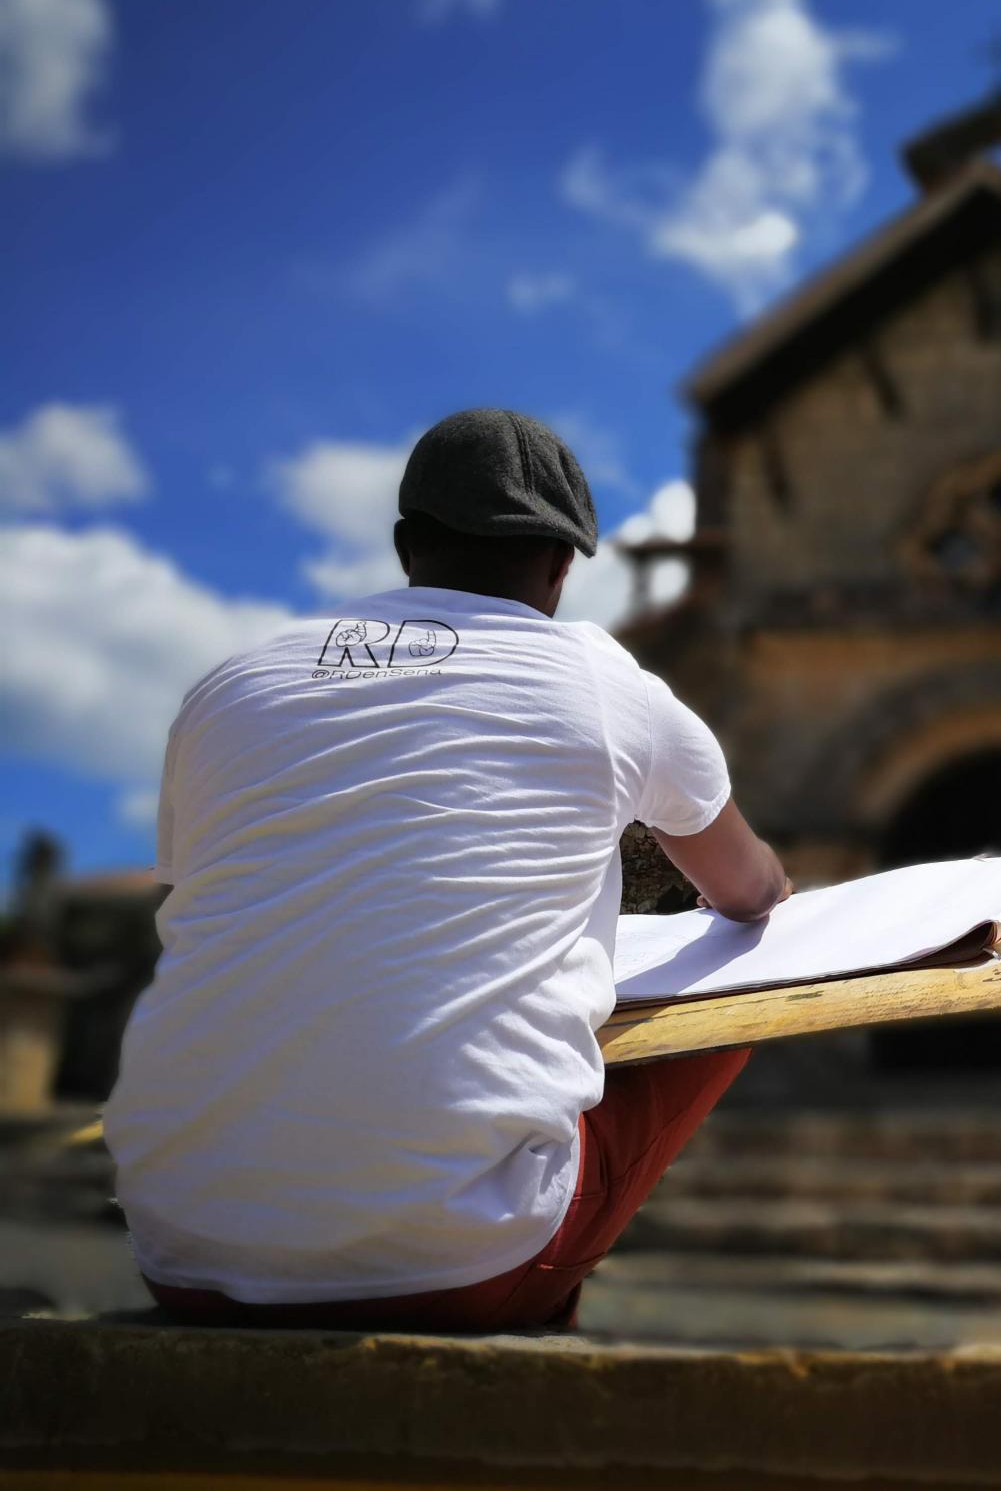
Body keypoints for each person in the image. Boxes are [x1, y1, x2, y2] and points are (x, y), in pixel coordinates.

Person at [104, 408, 788, 1332]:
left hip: (178, 1250)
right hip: (459, 1263)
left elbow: (204, 910)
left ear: (404, 547)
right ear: (561, 566)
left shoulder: (232, 682)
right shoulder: (601, 679)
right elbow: (748, 892)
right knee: (757, 967)